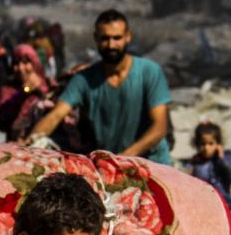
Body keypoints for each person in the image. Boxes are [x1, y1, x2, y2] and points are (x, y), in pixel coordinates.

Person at [26, 10, 172, 164]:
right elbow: (56, 115)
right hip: (110, 164)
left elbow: (160, 126)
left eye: (117, 38)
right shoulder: (84, 80)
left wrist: (125, 157)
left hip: (152, 163)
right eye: (105, 38)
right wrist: (30, 143)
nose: (111, 45)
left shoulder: (150, 72)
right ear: (96, 38)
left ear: (128, 37)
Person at [0, 44, 57, 143]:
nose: (20, 68)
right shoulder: (9, 89)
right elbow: (0, 122)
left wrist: (40, 89)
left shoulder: (50, 85)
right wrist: (24, 92)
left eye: (25, 62)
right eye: (16, 63)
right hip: (17, 145)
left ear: (35, 63)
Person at [185, 121, 231, 212]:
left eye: (211, 143)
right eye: (202, 144)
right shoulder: (195, 162)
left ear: (218, 144)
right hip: (204, 207)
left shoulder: (224, 158)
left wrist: (223, 159)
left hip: (225, 207)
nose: (206, 148)